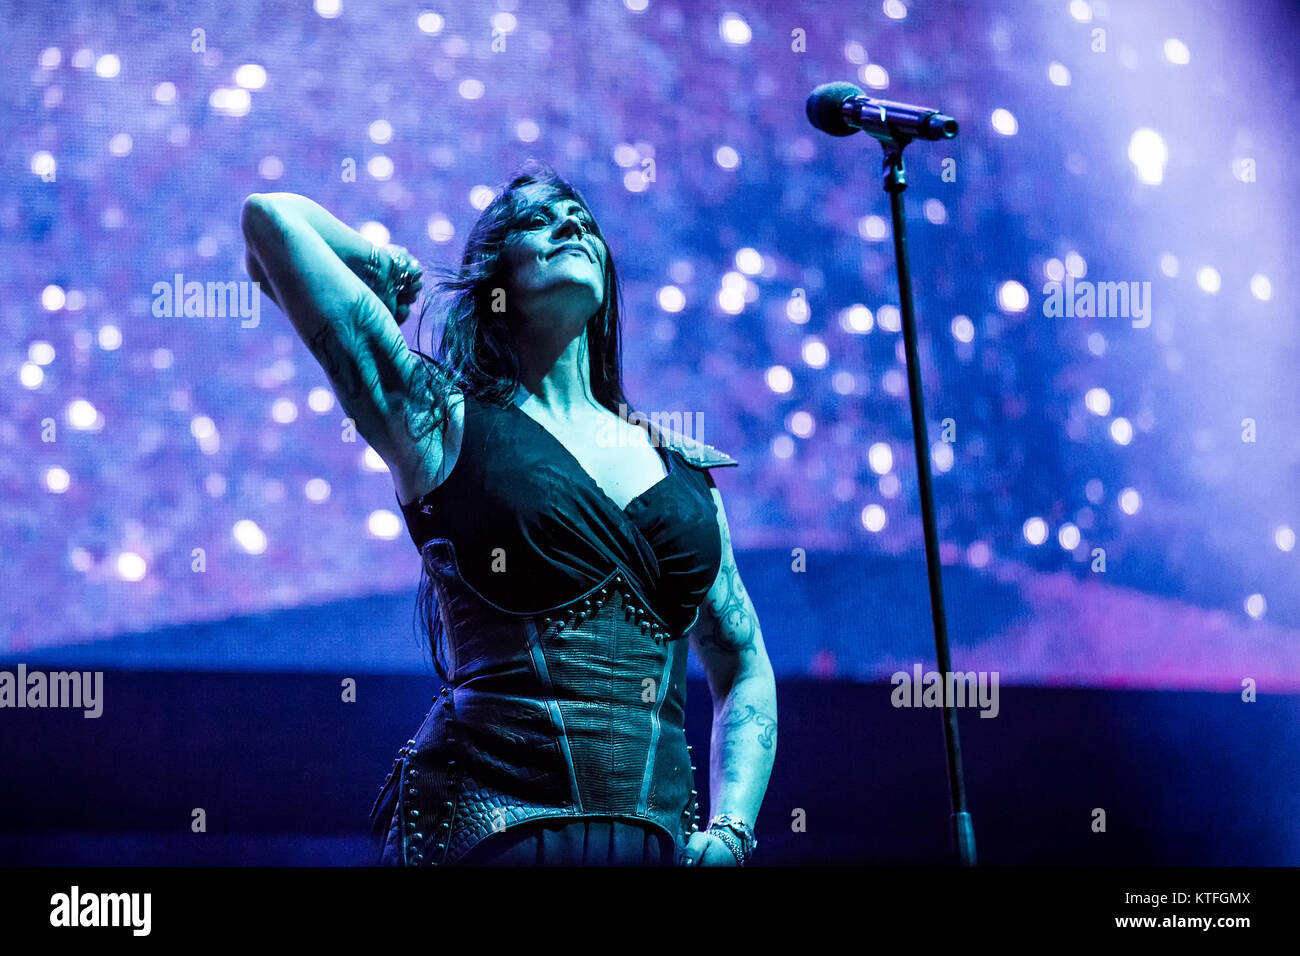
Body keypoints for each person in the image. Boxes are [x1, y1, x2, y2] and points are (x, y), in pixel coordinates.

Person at [240, 160, 776, 866]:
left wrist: (734, 830)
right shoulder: (436, 416)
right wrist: (376, 258)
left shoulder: (686, 473)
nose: (570, 225)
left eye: (582, 219)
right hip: (490, 836)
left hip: (655, 847)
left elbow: (741, 660)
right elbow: (268, 223)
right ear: (493, 275)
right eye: (537, 218)